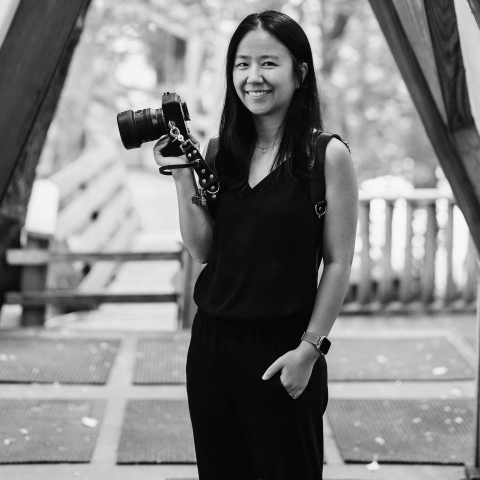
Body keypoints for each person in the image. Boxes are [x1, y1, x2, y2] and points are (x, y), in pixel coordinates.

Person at [153, 9, 358, 480]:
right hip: (211, 346)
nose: (253, 77)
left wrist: (310, 351)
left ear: (300, 72)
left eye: (269, 63)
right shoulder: (219, 152)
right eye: (242, 64)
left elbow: (339, 261)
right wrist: (182, 174)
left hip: (283, 348)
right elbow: (203, 249)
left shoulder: (327, 155)